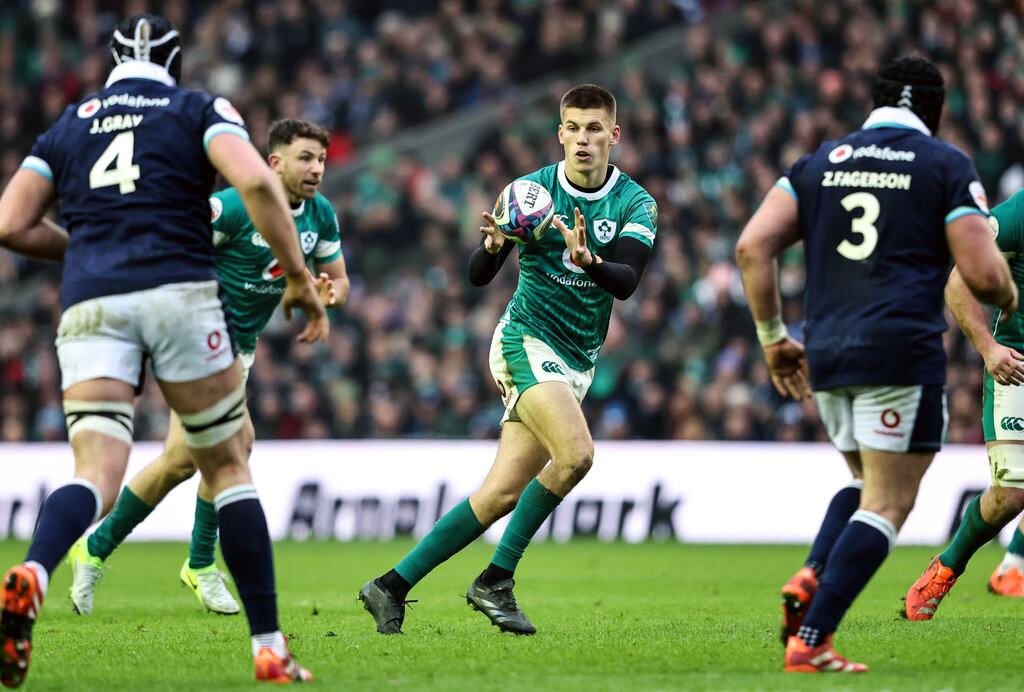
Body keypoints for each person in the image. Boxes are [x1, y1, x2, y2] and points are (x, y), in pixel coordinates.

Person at [0, 15, 326, 686]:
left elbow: (10, 223)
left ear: (112, 65)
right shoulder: (197, 108)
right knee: (228, 463)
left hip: (93, 299)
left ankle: (33, 571)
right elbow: (259, 185)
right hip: (178, 289)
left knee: (95, 470)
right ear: (175, 65)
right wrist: (298, 277)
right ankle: (268, 646)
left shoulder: (70, 122)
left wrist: (86, 251)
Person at [735, 55, 1016, 673]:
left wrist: (773, 337)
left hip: (827, 351)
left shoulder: (820, 162)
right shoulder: (945, 166)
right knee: (890, 505)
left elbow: (753, 245)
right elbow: (985, 272)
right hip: (899, 352)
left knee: (866, 486)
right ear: (935, 110)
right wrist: (1008, 296)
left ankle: (812, 573)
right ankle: (813, 637)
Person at [357, 83, 658, 635]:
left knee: (498, 494)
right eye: (574, 127)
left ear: (614, 134)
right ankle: (496, 579)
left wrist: (587, 258)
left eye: (596, 129)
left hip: (577, 359)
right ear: (560, 132)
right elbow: (478, 275)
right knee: (576, 455)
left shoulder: (636, 203)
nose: (584, 139)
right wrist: (493, 248)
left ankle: (389, 586)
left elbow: (627, 282)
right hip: (525, 340)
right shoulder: (530, 193)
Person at [66, 118, 349, 617]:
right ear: (274, 162)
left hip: (239, 348)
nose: (317, 168)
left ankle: (96, 548)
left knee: (184, 459)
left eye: (321, 159)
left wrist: (330, 293)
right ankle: (197, 564)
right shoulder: (234, 207)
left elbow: (339, 279)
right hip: (199, 343)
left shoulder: (321, 215)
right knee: (233, 446)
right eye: (306, 157)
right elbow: (177, 243)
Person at [904, 188, 1024, 618]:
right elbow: (958, 281)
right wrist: (989, 349)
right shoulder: (1019, 213)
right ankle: (947, 568)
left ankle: (1014, 566)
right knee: (1009, 497)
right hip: (1017, 366)